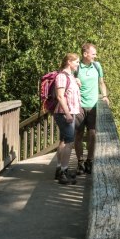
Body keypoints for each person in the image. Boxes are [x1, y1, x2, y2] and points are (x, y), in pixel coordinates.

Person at [74, 42, 109, 174]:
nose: (95, 56)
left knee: (92, 134)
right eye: (93, 54)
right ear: (85, 54)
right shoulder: (77, 68)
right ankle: (80, 162)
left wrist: (104, 95)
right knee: (78, 134)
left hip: (94, 105)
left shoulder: (97, 66)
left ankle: (89, 160)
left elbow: (101, 82)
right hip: (79, 106)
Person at [54, 53, 81, 185]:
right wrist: (68, 114)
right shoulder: (61, 76)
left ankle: (59, 169)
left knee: (64, 141)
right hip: (64, 113)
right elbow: (60, 96)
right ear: (69, 62)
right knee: (69, 142)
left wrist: (77, 84)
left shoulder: (71, 76)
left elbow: (70, 94)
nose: (78, 64)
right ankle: (63, 173)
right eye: (76, 62)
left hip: (69, 113)